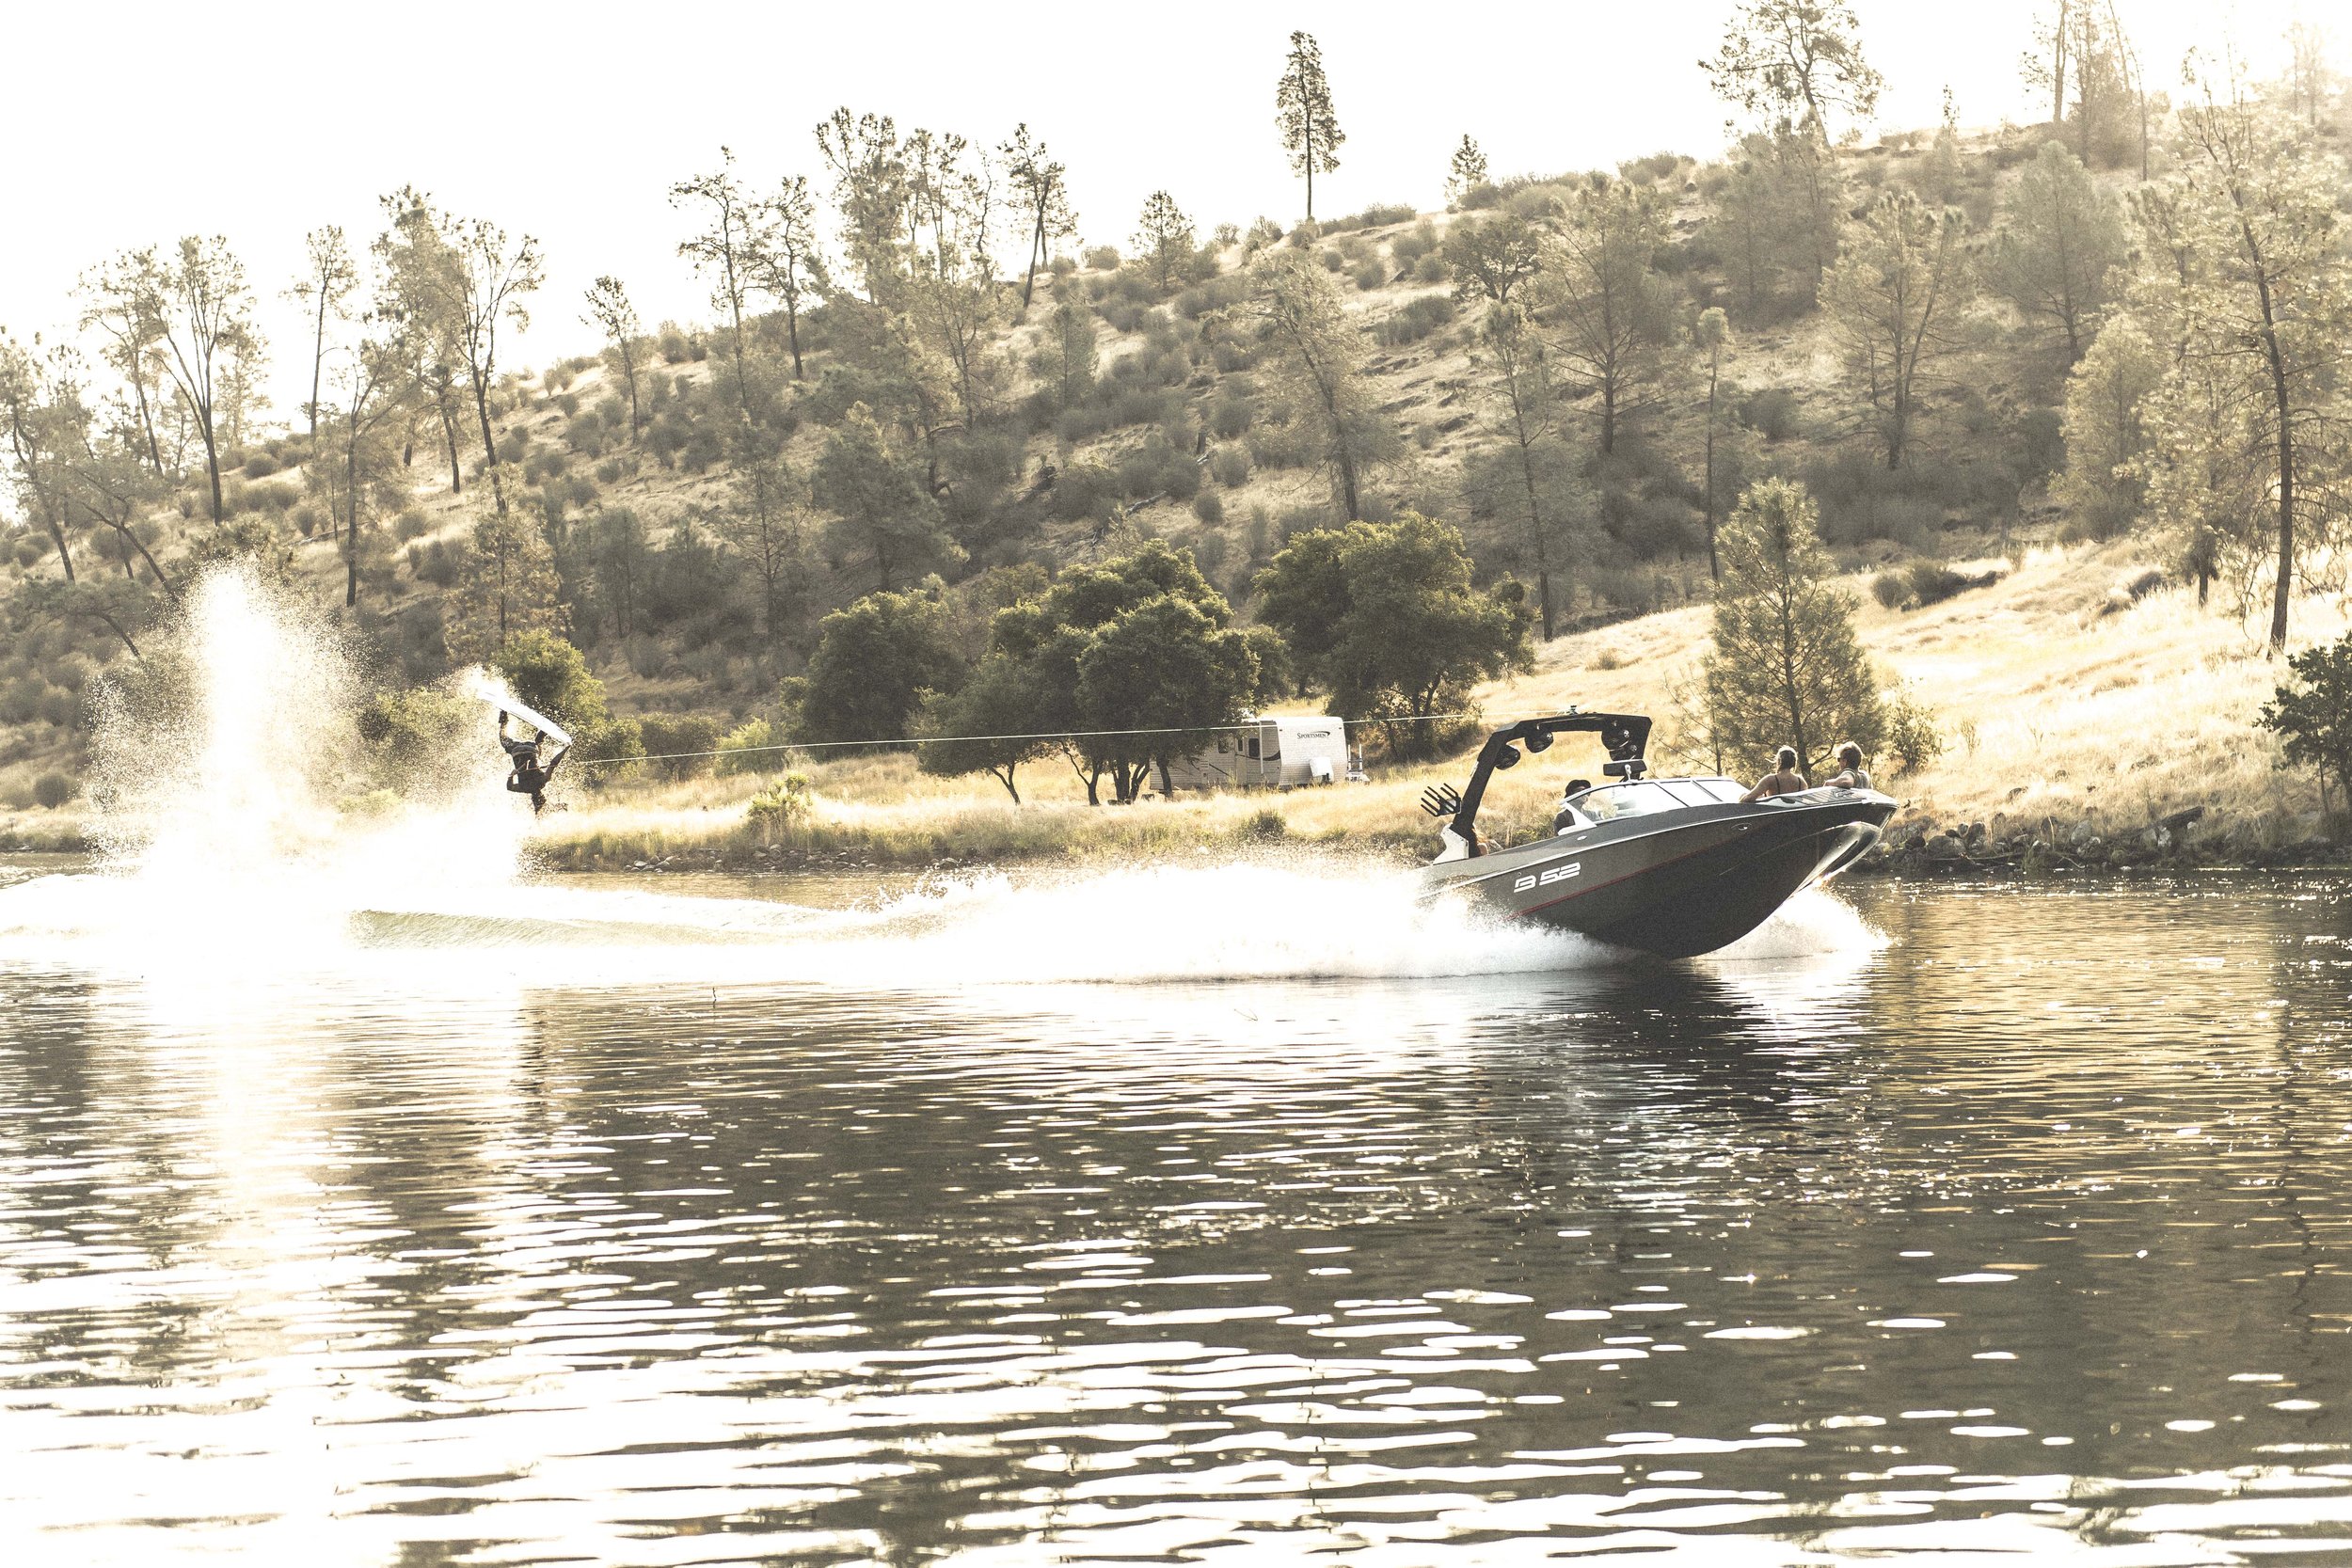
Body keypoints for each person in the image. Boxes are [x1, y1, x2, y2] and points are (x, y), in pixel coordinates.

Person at [499, 711, 570, 814]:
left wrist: (566, 748)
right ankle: (503, 717)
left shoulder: (543, 781)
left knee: (538, 751)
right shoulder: (523, 788)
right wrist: (511, 776)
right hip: (516, 750)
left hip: (531, 748)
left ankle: (543, 733)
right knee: (503, 739)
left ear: (542, 795)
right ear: (532, 799)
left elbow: (554, 762)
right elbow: (509, 787)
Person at [1741, 746, 1807, 801]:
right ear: (1794, 762)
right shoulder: (1801, 782)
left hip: (1774, 816)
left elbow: (1748, 798)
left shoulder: (1770, 780)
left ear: (1778, 761)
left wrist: (1743, 797)